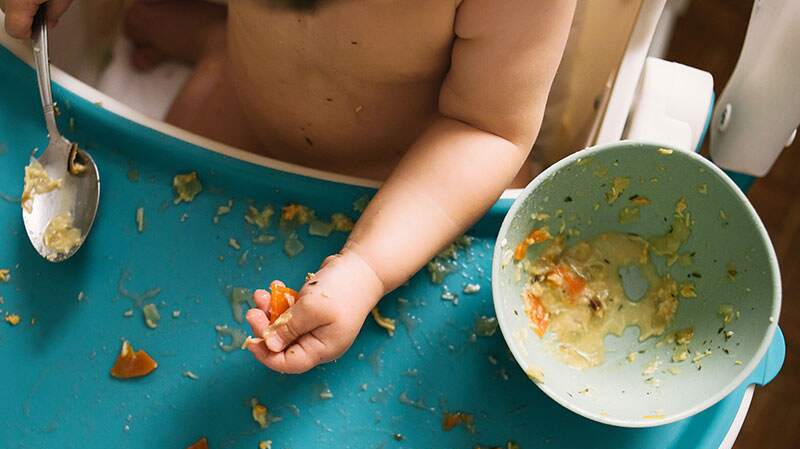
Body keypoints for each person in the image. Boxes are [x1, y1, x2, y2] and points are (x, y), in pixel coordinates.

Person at [4, 0, 575, 373]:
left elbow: (487, 126)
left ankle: (206, 37)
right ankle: (212, 36)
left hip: (400, 171)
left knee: (491, 225)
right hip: (245, 99)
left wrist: (368, 267)